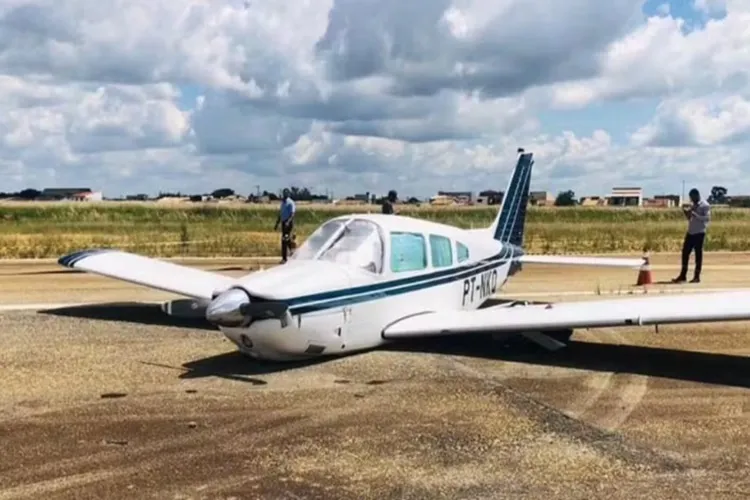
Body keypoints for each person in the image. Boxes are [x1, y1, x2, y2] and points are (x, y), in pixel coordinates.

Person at [672, 188, 711, 283]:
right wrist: (687, 213)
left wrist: (695, 214)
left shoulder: (705, 205)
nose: (691, 199)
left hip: (700, 232)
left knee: (698, 254)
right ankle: (683, 275)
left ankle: (696, 276)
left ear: (697, 195)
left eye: (692, 197)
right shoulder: (693, 205)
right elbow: (690, 218)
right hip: (691, 232)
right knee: (685, 253)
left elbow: (707, 218)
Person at [274, 188, 296, 263]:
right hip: (283, 223)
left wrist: (288, 221)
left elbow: (292, 214)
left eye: (286, 193)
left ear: (288, 194)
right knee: (286, 239)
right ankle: (292, 250)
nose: (285, 195)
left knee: (284, 239)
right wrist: (277, 223)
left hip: (288, 223)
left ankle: (284, 258)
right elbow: (281, 214)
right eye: (284, 193)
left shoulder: (290, 202)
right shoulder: (283, 203)